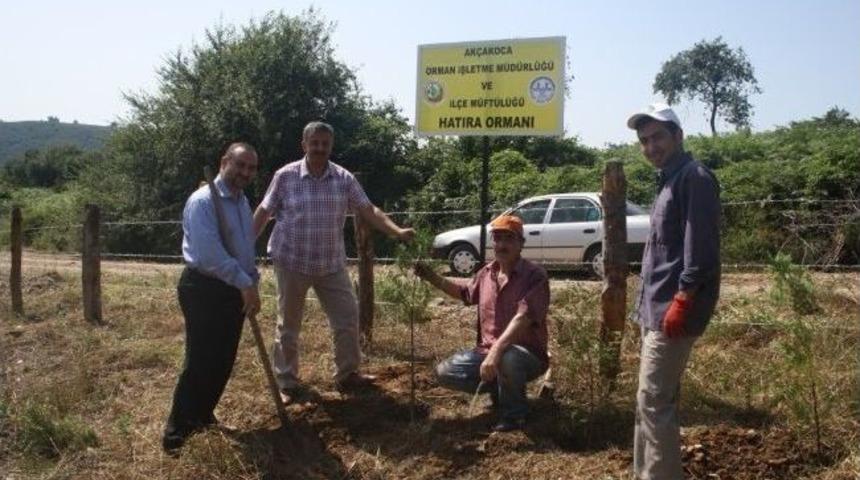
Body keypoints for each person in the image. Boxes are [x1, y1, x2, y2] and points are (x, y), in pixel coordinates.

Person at [254, 121, 414, 403]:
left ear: (331, 146)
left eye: (324, 144)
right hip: (292, 260)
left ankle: (348, 374)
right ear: (304, 145)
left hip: (330, 264)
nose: (319, 149)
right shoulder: (285, 176)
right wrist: (244, 245)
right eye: (314, 143)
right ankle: (287, 382)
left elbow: (368, 209)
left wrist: (397, 231)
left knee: (347, 317)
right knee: (288, 325)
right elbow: (265, 210)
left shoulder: (344, 178)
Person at [626, 103, 721, 479]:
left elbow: (701, 249)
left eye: (658, 137)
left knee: (653, 401)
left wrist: (682, 299)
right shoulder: (668, 178)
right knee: (649, 401)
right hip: (655, 308)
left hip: (673, 310)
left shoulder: (694, 178)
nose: (651, 146)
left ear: (678, 136)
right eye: (644, 141)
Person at [163, 142, 261, 452]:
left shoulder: (241, 202)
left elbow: (244, 248)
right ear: (224, 162)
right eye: (240, 165)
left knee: (223, 360)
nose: (244, 173)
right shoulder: (203, 201)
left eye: (250, 168)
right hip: (204, 288)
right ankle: (176, 435)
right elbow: (209, 256)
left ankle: (203, 417)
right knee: (201, 361)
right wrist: (243, 282)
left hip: (233, 289)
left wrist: (252, 280)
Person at [414, 215, 550, 432]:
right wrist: (431, 277)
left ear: (521, 243)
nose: (502, 245)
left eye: (509, 239)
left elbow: (523, 317)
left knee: (508, 357)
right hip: (487, 353)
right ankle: (499, 391)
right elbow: (465, 293)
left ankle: (515, 416)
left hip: (527, 355)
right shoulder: (486, 274)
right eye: (497, 239)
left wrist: (496, 351)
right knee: (445, 372)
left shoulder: (535, 276)